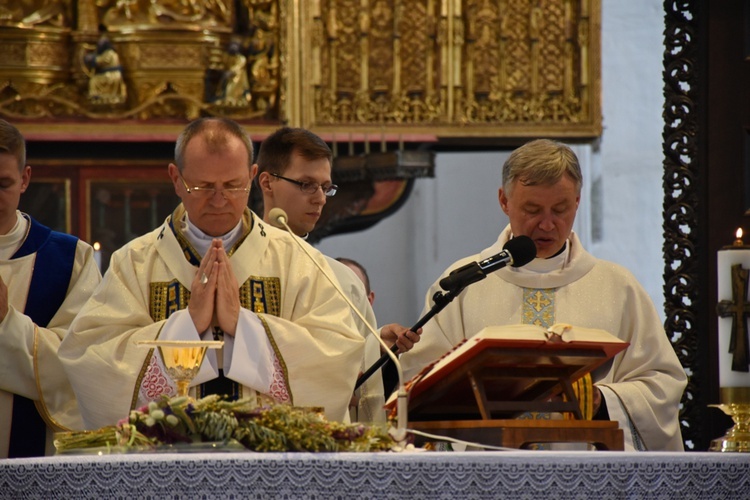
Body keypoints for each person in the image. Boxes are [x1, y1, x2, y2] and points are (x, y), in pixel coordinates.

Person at [59, 118, 364, 430]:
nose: (219, 200)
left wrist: (243, 326)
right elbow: (89, 358)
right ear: (176, 179)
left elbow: (338, 356)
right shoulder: (135, 263)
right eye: (203, 187)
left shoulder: (298, 261)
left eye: (233, 185)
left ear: (253, 175)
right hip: (165, 466)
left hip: (271, 465)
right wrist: (187, 326)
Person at [399, 139, 687, 451]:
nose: (547, 224)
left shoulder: (617, 287)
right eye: (532, 209)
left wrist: (601, 400)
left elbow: (662, 384)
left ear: (577, 202)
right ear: (504, 201)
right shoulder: (465, 283)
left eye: (560, 209)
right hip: (488, 473)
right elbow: (419, 384)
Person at [254, 127, 418, 423]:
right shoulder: (234, 265)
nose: (320, 199)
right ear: (267, 182)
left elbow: (359, 381)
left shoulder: (342, 280)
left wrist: (378, 346)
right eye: (306, 184)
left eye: (325, 187)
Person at [0, 119, 101, 457]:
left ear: (25, 179)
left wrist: (6, 322)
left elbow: (82, 364)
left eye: (3, 184)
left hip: (35, 455)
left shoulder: (71, 258)